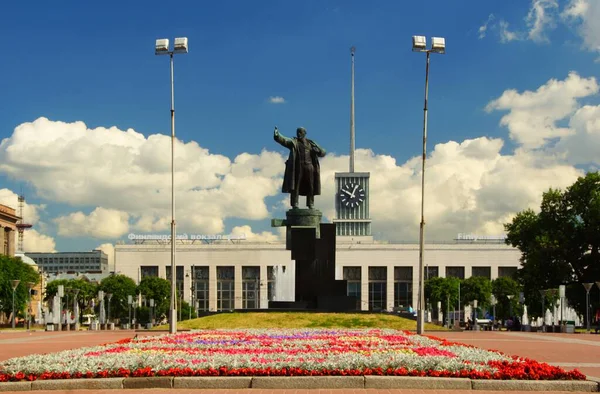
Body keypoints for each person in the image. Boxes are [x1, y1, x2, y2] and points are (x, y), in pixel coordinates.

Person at [273, 126, 326, 209]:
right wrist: (277, 135)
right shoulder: (294, 142)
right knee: (295, 186)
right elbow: (284, 140)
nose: (298, 134)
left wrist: (318, 150)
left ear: (304, 133)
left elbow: (323, 152)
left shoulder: (311, 143)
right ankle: (295, 203)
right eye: (297, 132)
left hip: (309, 167)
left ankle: (310, 203)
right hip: (298, 167)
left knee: (310, 186)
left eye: (300, 132)